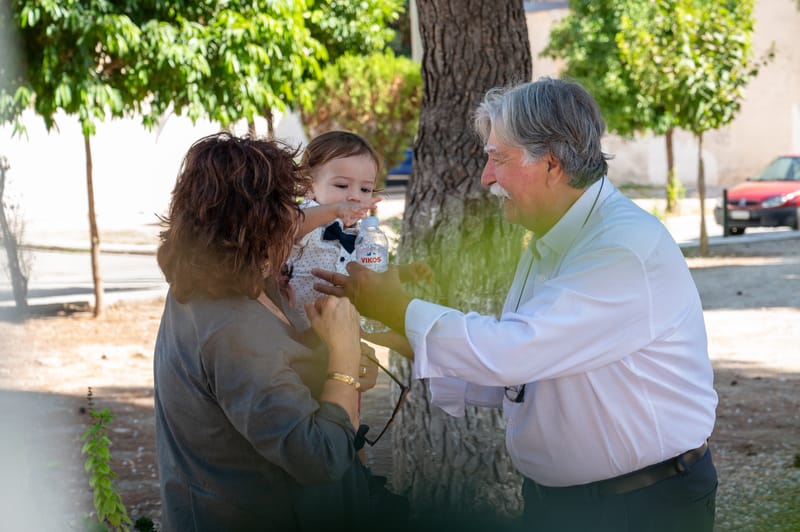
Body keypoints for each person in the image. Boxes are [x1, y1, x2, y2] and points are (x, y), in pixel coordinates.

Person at [313, 77, 719, 531]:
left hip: (639, 507)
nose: (486, 178)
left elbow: (512, 352)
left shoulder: (621, 248)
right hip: (569, 505)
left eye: (498, 159)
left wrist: (394, 305)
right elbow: (529, 374)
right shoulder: (555, 237)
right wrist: (397, 337)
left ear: (551, 163)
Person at [153, 132, 381, 531]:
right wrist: (344, 362)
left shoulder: (242, 280)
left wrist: (335, 353)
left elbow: (284, 364)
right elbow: (320, 458)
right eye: (285, 207)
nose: (298, 217)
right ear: (255, 224)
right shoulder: (232, 330)